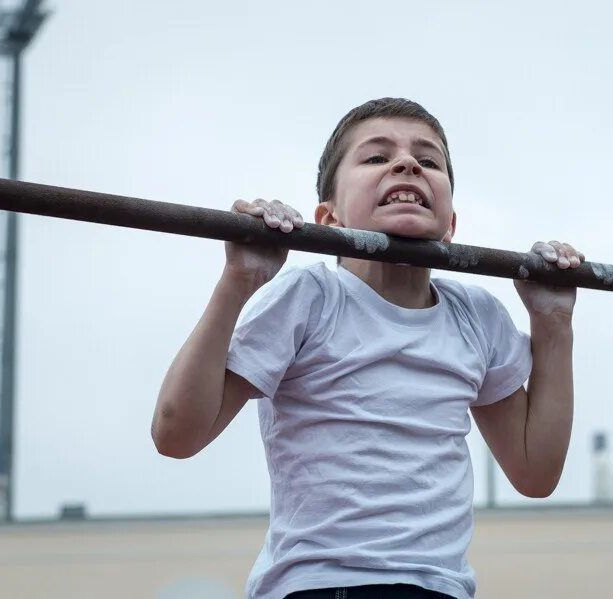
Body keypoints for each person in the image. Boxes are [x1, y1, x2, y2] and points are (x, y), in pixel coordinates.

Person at [151, 98, 584, 599]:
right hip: (322, 585)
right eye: (377, 157)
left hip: (438, 589)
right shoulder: (310, 299)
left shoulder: (476, 316)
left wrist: (554, 322)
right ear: (328, 218)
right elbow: (176, 435)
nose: (407, 164)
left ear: (450, 224)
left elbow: (536, 472)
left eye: (429, 160)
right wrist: (239, 280)